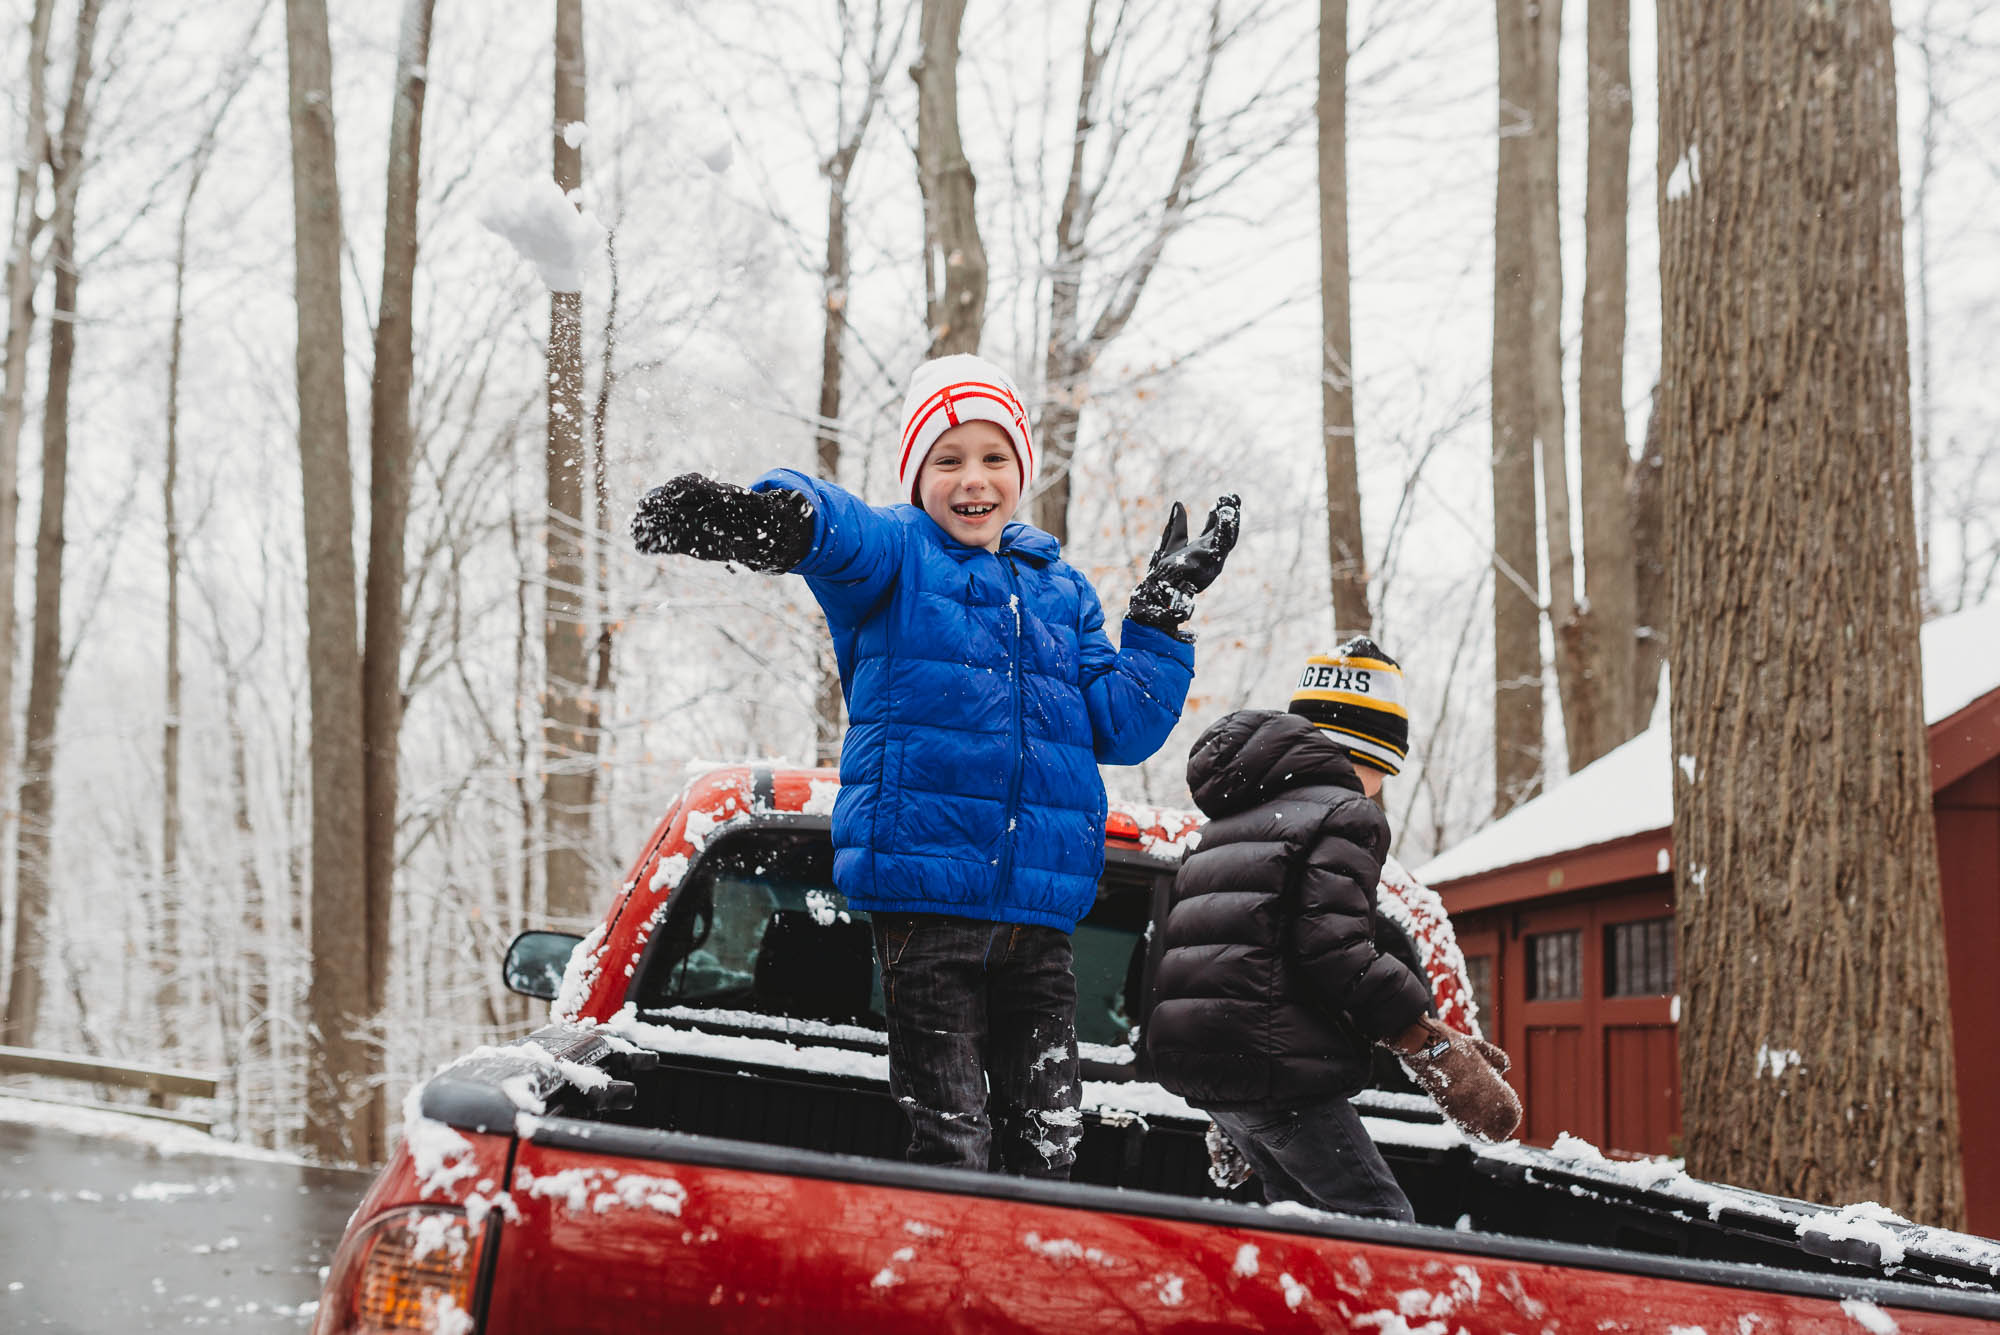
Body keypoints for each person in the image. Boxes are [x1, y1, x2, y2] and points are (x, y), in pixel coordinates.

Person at [631, 353, 1240, 1178]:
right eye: (946, 460)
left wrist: (1161, 617)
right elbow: (838, 528)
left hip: (1040, 919)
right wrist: (769, 519)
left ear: (1020, 469)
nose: (972, 480)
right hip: (926, 909)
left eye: (993, 458)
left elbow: (1121, 722)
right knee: (954, 1136)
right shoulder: (898, 557)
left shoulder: (1062, 591)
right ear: (917, 475)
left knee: (1050, 1143)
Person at [1146, 637, 1519, 1221]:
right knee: (1381, 1228)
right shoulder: (1348, 814)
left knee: (1297, 1222)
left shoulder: (1227, 819)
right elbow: (1333, 948)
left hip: (1212, 1069)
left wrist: (1228, 1089)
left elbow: (1212, 948)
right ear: (1374, 753)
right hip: (1279, 1074)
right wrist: (1426, 1041)